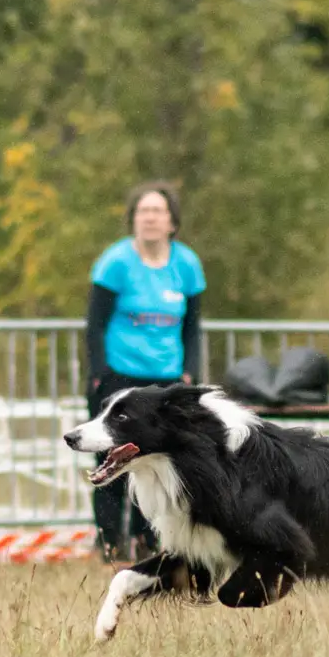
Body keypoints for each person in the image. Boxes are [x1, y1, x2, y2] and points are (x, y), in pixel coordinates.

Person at [85, 182, 205, 561]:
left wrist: (189, 372)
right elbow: (94, 324)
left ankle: (148, 540)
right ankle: (109, 541)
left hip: (164, 382)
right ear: (133, 220)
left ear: (172, 222)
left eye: (157, 211)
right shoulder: (115, 263)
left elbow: (192, 325)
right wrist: (99, 373)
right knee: (111, 462)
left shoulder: (186, 264)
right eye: (143, 211)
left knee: (155, 465)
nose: (149, 218)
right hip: (120, 376)